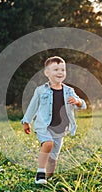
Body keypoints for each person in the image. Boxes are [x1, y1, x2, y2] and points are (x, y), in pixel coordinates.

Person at [21, 56, 86, 184]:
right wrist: (26, 121)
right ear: (47, 73)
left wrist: (77, 102)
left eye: (62, 69)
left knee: (52, 159)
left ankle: (49, 177)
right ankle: (40, 173)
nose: (60, 72)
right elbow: (33, 106)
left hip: (60, 128)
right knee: (47, 144)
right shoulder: (41, 90)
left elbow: (83, 105)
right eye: (56, 69)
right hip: (44, 126)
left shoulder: (69, 91)